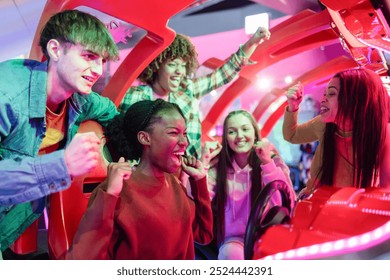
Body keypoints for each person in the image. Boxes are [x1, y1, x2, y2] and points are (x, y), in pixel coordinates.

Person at [0, 9, 119, 258]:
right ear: (55, 50)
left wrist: (115, 154)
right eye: (88, 56)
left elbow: (111, 113)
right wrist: (61, 164)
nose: (97, 69)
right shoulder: (6, 95)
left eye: (102, 60)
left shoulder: (80, 100)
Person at [66, 99, 213, 259]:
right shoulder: (117, 189)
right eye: (173, 133)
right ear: (145, 138)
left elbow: (204, 234)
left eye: (184, 133)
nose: (185, 142)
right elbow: (84, 258)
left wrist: (199, 181)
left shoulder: (175, 185)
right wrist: (110, 195)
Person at [118, 27, 271, 158]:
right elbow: (120, 135)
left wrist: (252, 42)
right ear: (156, 65)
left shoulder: (187, 91)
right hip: (144, 174)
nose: (180, 71)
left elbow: (223, 74)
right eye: (172, 64)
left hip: (185, 170)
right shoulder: (134, 96)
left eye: (184, 65)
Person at [283, 68, 390, 198]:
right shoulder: (323, 125)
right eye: (325, 94)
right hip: (314, 205)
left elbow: (386, 191)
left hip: (352, 213)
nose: (323, 99)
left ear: (355, 99)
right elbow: (291, 135)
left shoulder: (383, 134)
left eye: (331, 94)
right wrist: (293, 106)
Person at [204, 110, 295, 260]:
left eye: (245, 129)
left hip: (267, 235)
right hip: (233, 241)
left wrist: (267, 164)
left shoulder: (272, 161)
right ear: (226, 137)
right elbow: (201, 203)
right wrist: (203, 164)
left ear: (255, 132)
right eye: (232, 131)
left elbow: (286, 202)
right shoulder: (218, 167)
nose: (239, 136)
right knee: (231, 254)